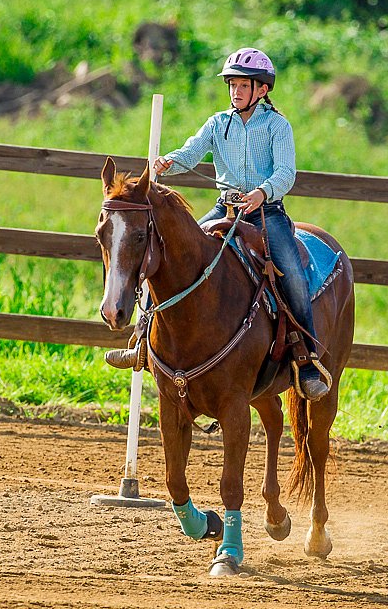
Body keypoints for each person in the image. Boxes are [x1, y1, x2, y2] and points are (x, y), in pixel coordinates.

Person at [104, 47, 329, 401]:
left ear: (262, 90)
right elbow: (192, 152)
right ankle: (143, 341)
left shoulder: (277, 126)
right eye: (233, 84)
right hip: (225, 211)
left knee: (294, 276)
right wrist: (168, 162)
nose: (236, 91)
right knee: (167, 255)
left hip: (266, 215)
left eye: (244, 85)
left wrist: (262, 192)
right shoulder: (217, 123)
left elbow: (286, 172)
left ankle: (307, 359)